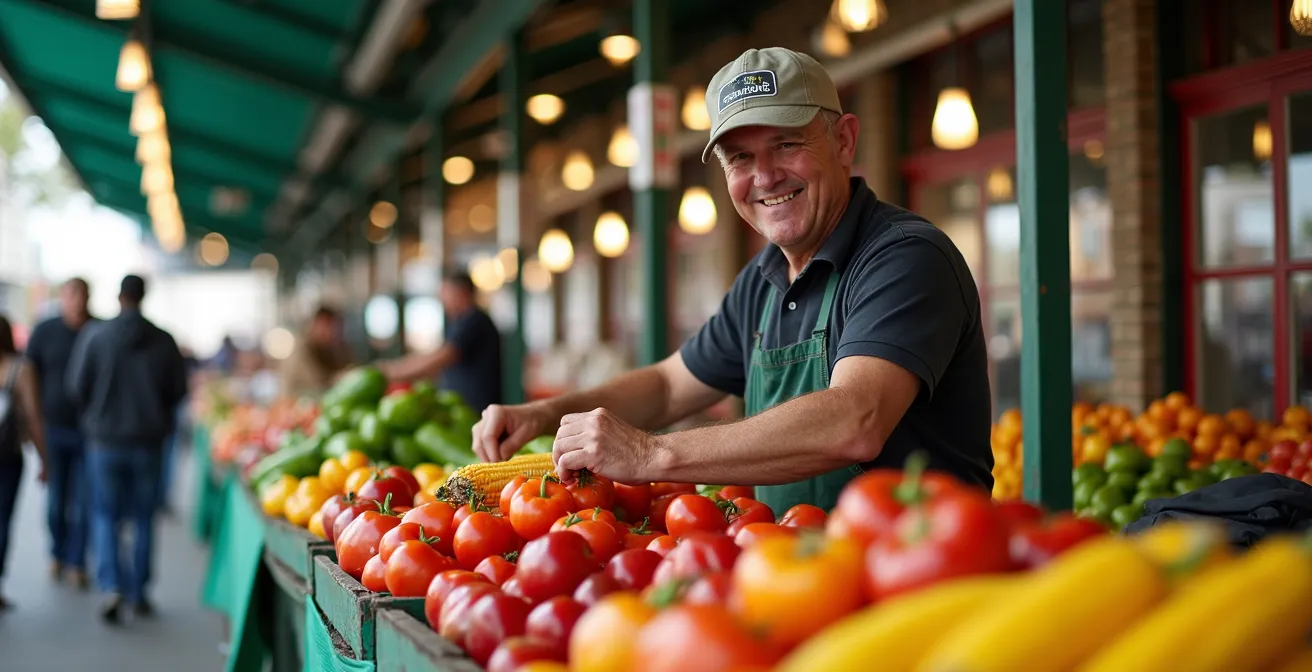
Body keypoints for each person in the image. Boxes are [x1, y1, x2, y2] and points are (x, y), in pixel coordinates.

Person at [472, 47, 992, 513]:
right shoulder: (762, 281)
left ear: (844, 141)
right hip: (803, 575)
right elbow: (669, 386)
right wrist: (544, 414)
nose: (764, 177)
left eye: (787, 145)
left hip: (919, 580)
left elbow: (853, 420)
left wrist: (650, 453)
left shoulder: (904, 258)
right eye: (740, 157)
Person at [66, 275, 188, 623]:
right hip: (148, 443)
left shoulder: (95, 336)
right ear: (143, 296)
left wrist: (98, 415)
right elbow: (178, 392)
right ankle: (139, 591)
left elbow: (77, 387)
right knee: (144, 517)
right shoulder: (164, 340)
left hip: (104, 443)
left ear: (119, 296)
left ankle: (112, 586)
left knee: (105, 514)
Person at [25, 277, 97, 587]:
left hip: (90, 432)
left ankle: (77, 560)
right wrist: (32, 424)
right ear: (63, 298)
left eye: (82, 295)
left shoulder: (98, 331)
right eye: (72, 295)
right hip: (53, 428)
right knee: (56, 500)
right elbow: (30, 378)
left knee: (83, 501)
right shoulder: (45, 331)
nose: (77, 302)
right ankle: (57, 552)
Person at [378, 271, 503, 413]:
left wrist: (393, 372)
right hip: (463, 408)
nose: (441, 298)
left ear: (460, 292)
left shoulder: (475, 321)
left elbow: (441, 357)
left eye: (445, 292)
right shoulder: (459, 322)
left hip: (476, 410)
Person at [0, 315, 49, 610]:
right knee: (2, 519)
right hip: (7, 456)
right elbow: (33, 417)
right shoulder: (21, 369)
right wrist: (45, 459)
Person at [279, 305, 352, 399]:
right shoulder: (301, 352)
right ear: (315, 324)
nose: (330, 333)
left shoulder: (332, 348)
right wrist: (340, 378)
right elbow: (315, 387)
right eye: (326, 326)